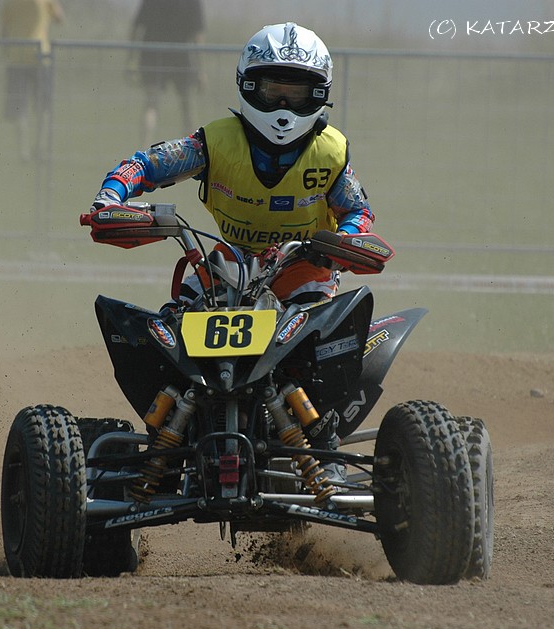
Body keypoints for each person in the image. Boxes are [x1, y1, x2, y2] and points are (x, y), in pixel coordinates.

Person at [88, 23, 376, 482]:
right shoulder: (215, 141)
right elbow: (146, 164)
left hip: (305, 267)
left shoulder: (331, 154)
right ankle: (168, 436)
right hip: (226, 264)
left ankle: (323, 446)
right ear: (248, 86)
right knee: (169, 328)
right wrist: (110, 199)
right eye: (273, 90)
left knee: (322, 337)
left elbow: (358, 211)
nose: (283, 107)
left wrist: (344, 242)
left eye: (296, 93)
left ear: (319, 94)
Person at [130, 0, 206, 147]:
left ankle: (144, 148)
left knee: (151, 105)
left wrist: (131, 59)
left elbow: (136, 28)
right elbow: (198, 36)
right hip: (181, 56)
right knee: (187, 107)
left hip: (153, 55)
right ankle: (193, 151)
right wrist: (201, 69)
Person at [1, 0, 65, 161]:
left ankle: (23, 152)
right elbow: (59, 18)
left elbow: (3, 29)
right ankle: (40, 149)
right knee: (42, 107)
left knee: (19, 107)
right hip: (40, 56)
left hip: (16, 57)